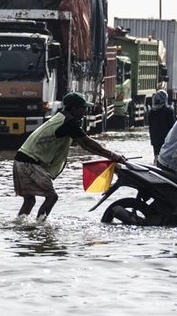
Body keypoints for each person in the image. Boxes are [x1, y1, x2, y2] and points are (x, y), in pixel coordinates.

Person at [13, 91, 127, 220]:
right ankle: (40, 225)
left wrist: (110, 156)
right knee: (52, 197)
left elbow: (85, 146)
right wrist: (113, 155)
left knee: (30, 200)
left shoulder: (61, 118)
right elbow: (88, 143)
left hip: (20, 160)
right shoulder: (69, 122)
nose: (85, 111)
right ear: (74, 109)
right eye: (83, 108)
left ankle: (20, 225)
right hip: (29, 163)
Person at [147, 89, 176, 158]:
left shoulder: (151, 111)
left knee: (157, 157)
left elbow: (150, 126)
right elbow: (172, 127)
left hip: (155, 140)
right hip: (166, 140)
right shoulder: (168, 110)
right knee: (165, 159)